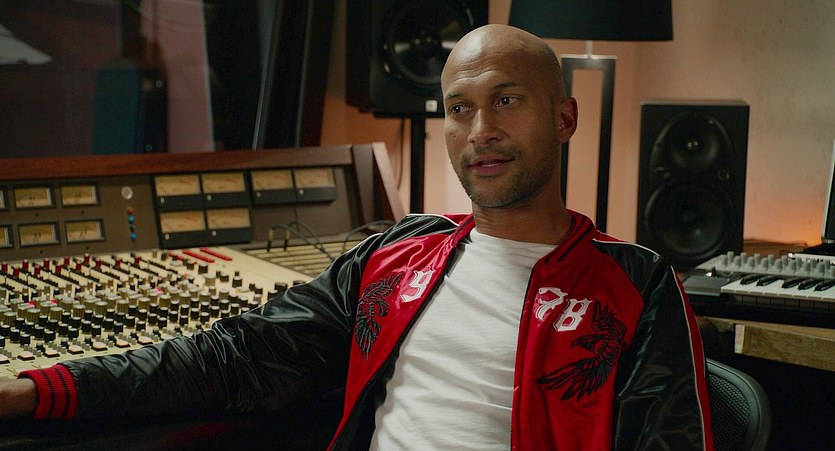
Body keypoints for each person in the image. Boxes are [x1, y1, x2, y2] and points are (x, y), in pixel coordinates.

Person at [0, 24, 714, 450]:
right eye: (458, 108)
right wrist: (37, 389)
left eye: (506, 100)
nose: (480, 131)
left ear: (564, 118)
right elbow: (233, 356)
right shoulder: (394, 255)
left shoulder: (637, 283)